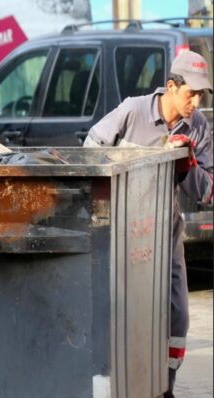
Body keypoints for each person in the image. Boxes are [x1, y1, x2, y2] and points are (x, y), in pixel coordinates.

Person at [84, 50, 213, 397]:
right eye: (191, 94)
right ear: (171, 86)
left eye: (201, 95)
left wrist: (186, 164)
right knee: (124, 316)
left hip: (166, 233)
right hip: (121, 233)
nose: (196, 102)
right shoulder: (132, 111)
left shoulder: (197, 126)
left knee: (178, 317)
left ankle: (165, 387)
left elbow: (209, 190)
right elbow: (89, 149)